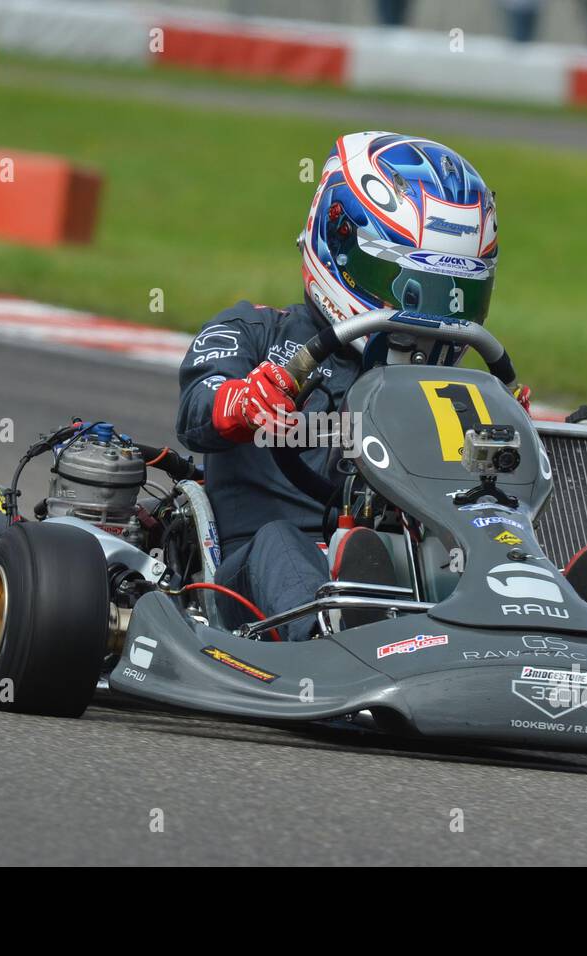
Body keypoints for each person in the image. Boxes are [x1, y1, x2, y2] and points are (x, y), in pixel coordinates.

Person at [175, 132, 527, 641]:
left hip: (416, 572)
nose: (425, 318)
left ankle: (562, 616)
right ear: (338, 246)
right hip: (251, 579)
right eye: (407, 289)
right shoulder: (256, 333)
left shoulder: (458, 386)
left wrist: (513, 437)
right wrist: (243, 401)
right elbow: (196, 409)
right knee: (282, 543)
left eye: (452, 297)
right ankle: (330, 633)